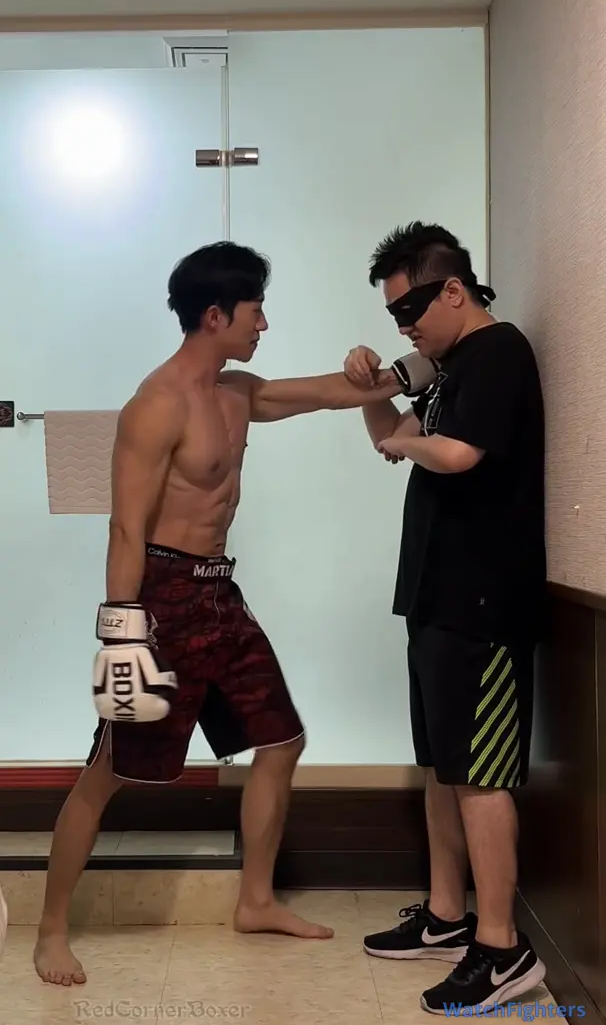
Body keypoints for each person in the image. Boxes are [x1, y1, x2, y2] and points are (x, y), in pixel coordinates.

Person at [34, 241, 404, 987]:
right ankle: (49, 933)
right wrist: (122, 635)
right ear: (214, 315)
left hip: (219, 595)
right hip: (161, 602)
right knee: (108, 771)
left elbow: (330, 393)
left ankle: (256, 901)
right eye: (254, 311)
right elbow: (125, 529)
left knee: (282, 739)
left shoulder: (237, 393)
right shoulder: (156, 406)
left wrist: (394, 368)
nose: (263, 324)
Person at [344, 222, 547, 1014]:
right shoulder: (448, 368)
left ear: (454, 290)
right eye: (394, 315)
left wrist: (411, 439)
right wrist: (373, 388)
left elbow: (458, 454)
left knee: (481, 777)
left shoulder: (498, 352)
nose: (405, 327)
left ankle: (502, 950)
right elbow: (392, 438)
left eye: (411, 309)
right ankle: (445, 916)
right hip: (435, 598)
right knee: (443, 766)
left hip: (484, 602)